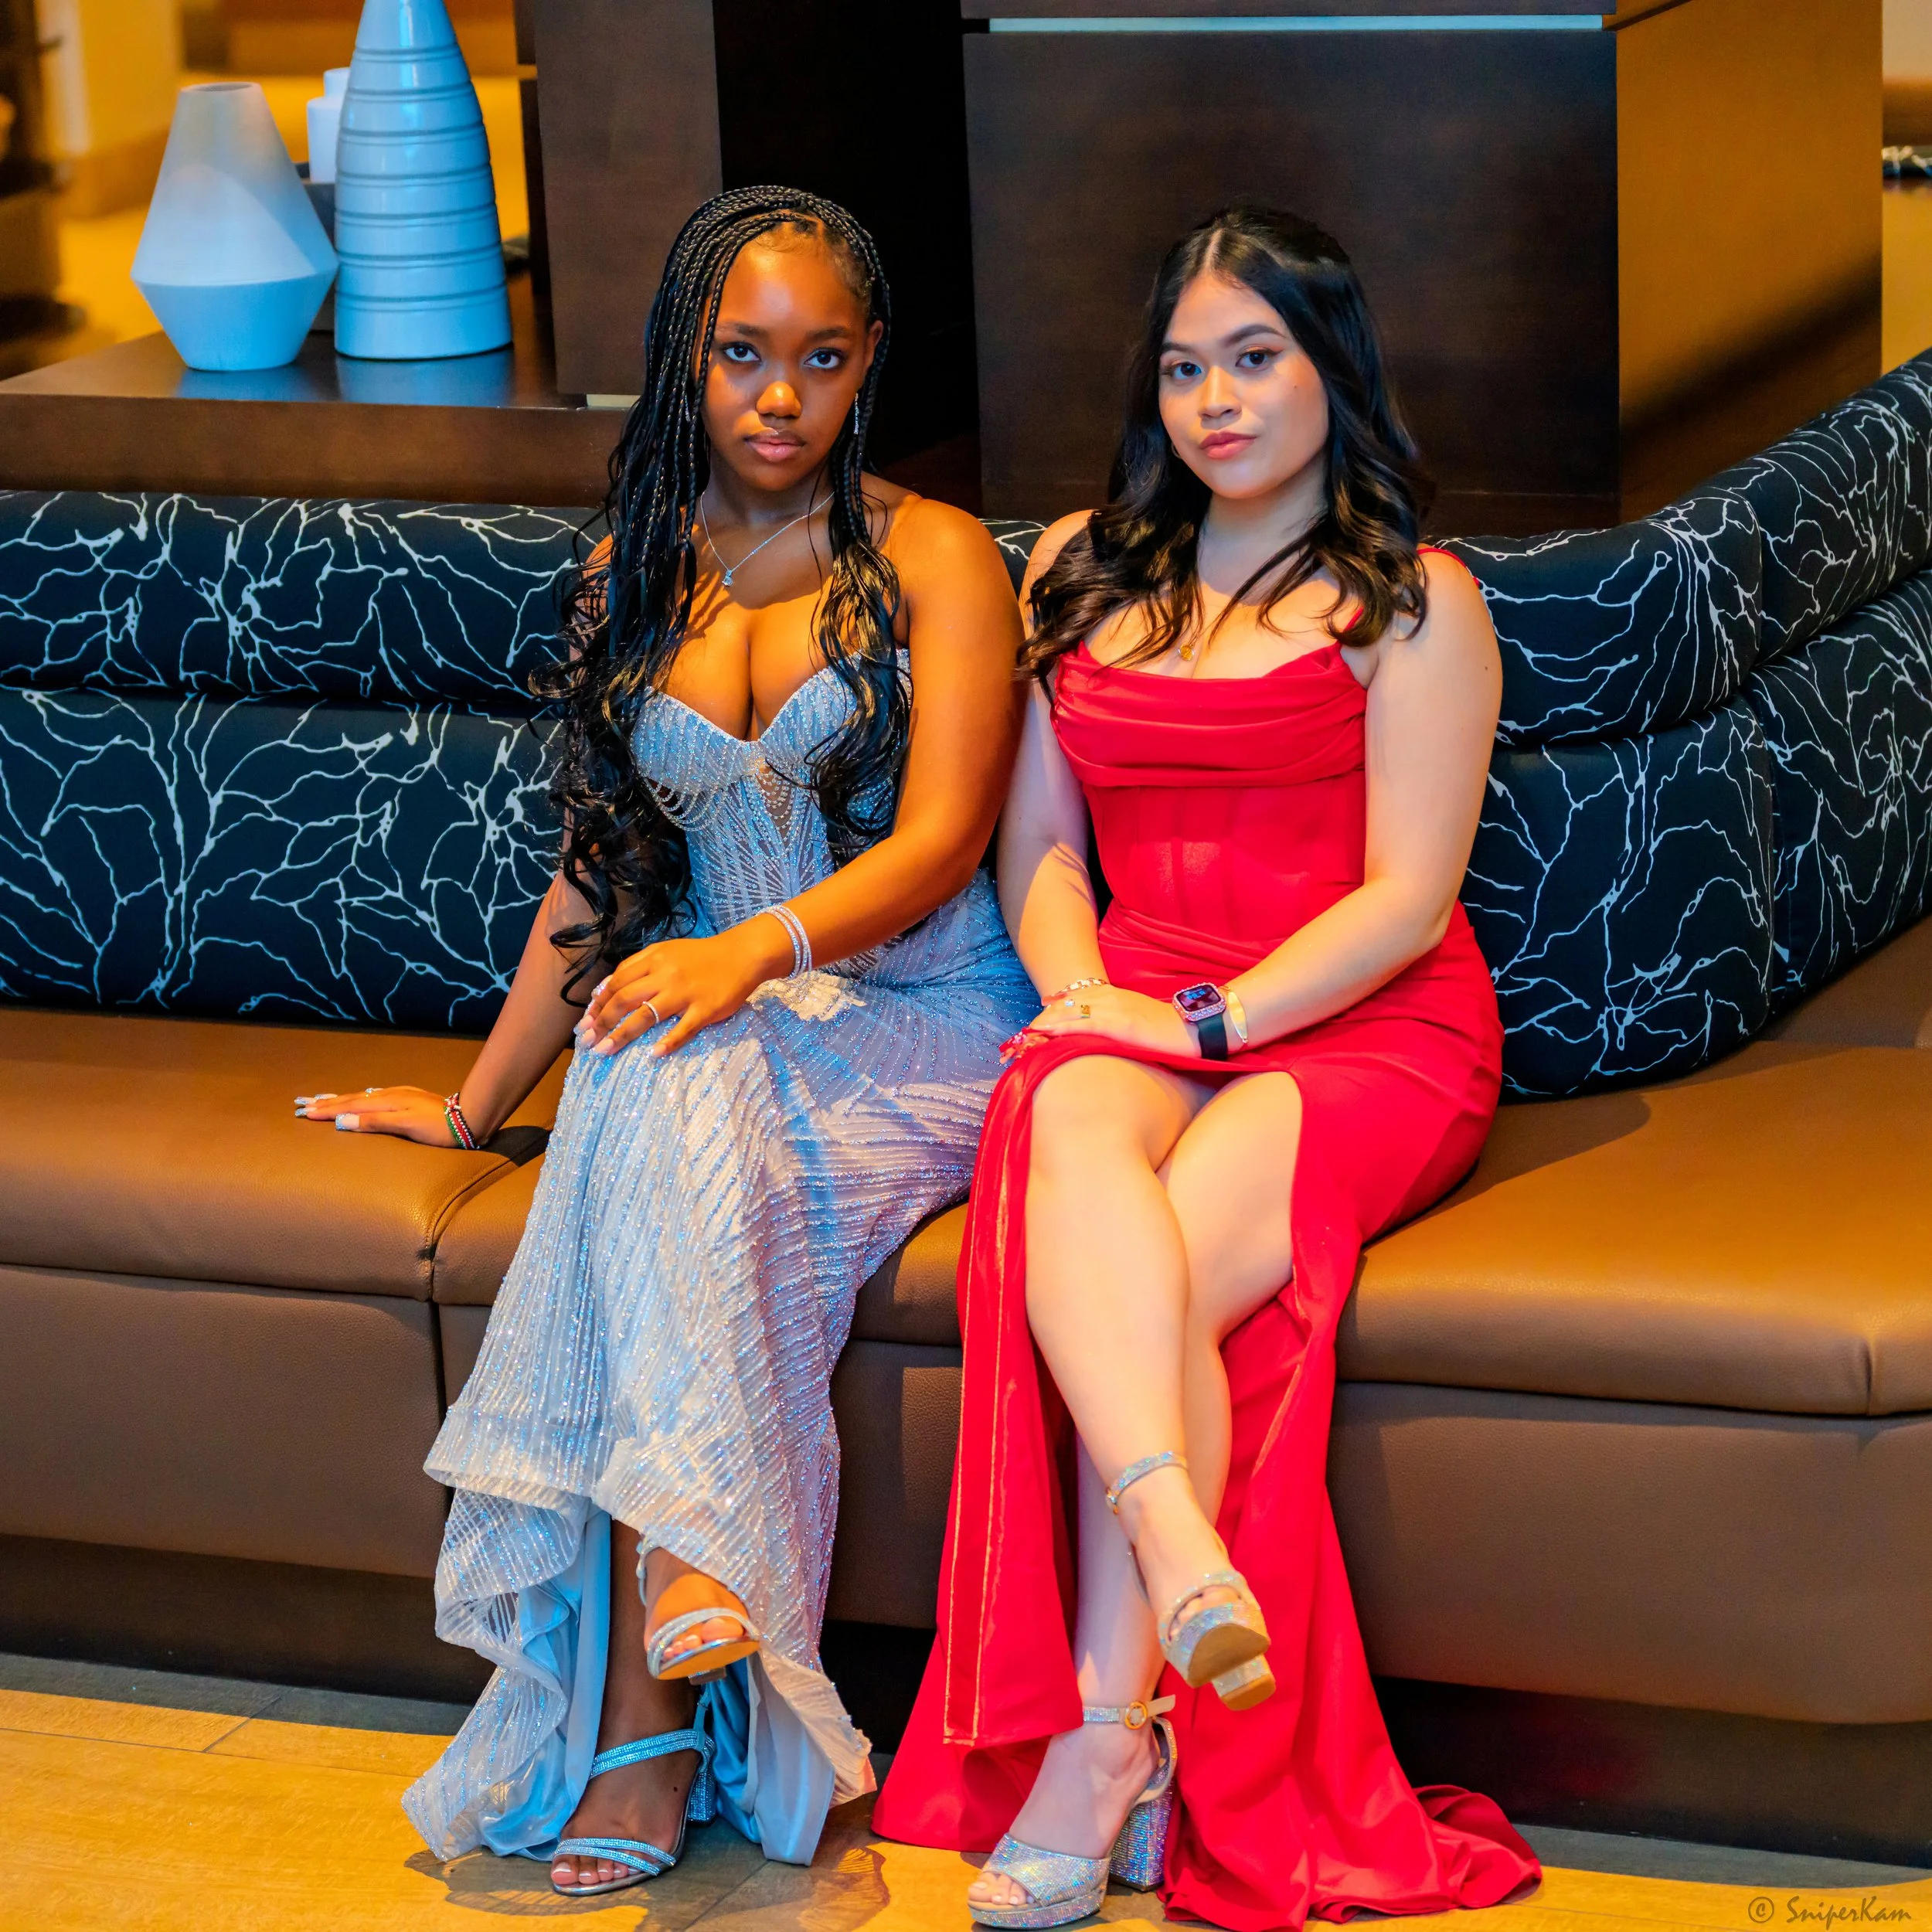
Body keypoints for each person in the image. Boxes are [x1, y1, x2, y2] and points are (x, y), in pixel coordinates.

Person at [294, 185, 1035, 1896]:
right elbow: (600, 871)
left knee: (663, 1050)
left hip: (927, 1014)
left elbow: (939, 844)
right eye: (742, 355)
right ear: (685, 358)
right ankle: (692, 1574)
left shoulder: (934, 552)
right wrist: (481, 1107)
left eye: (821, 359)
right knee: (649, 1059)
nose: (780, 396)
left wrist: (746, 948)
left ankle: (638, 1709)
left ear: (868, 369)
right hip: (723, 1014)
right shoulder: (632, 571)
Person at [872, 206, 1543, 1929]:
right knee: (1064, 1124)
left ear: (1331, 367)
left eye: (1254, 359)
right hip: (1142, 990)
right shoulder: (1078, 568)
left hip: (1360, 1027)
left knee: (1161, 1265)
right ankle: (1184, 1562)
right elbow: (1032, 847)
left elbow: (1406, 900)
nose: (1216, 402)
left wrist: (1198, 1025)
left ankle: (1100, 1744)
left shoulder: (1411, 598)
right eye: (1184, 368)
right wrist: (1095, 996)